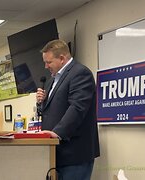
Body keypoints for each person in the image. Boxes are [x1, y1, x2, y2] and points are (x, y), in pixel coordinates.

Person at [36, 39, 100, 180]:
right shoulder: (54, 79)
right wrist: (42, 102)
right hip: (57, 151)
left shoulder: (80, 73)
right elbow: (54, 109)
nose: (46, 66)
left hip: (74, 154)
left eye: (49, 62)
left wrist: (57, 133)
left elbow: (77, 108)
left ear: (62, 58)